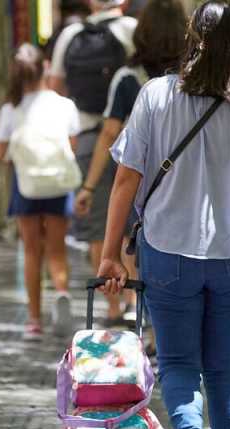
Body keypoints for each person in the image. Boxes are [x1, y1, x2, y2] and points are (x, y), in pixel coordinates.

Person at [96, 2, 230, 429]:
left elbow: (124, 181)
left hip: (169, 252)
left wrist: (109, 255)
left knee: (178, 365)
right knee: (223, 372)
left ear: (192, 38)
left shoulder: (156, 96)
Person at [74, 0, 188, 327]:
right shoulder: (192, 78)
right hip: (178, 179)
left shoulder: (128, 77)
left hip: (133, 175)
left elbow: (109, 132)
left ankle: (130, 307)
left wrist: (89, 185)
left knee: (128, 239)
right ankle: (157, 315)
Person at [48, 0, 137, 292]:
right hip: (131, 137)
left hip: (87, 136)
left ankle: (112, 304)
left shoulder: (70, 34)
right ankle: (133, 302)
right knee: (131, 225)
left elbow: (56, 88)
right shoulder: (133, 30)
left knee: (99, 229)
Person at [0, 44, 80, 340]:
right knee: (57, 248)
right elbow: (73, 146)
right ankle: (61, 291)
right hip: (57, 183)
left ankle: (33, 319)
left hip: (26, 184)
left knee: (31, 250)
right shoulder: (64, 106)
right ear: (44, 68)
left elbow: (1, 152)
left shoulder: (11, 109)